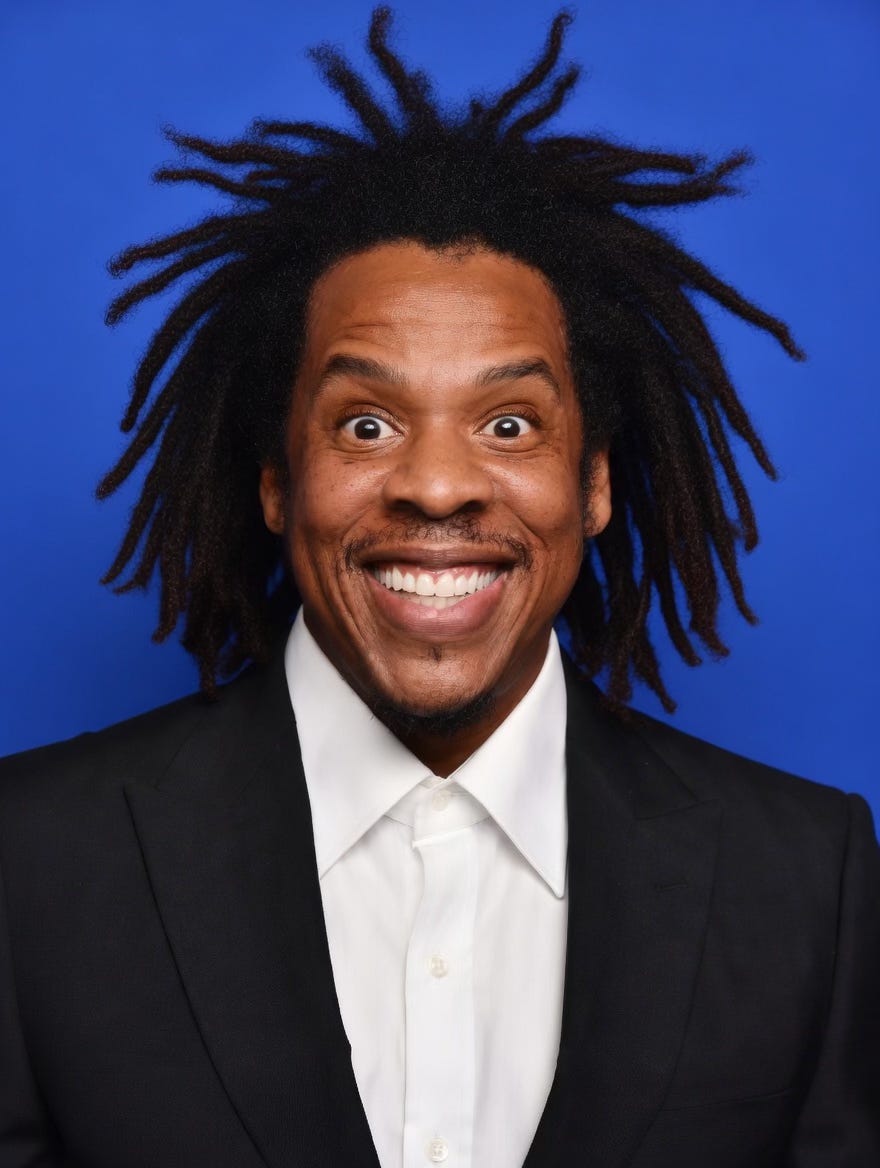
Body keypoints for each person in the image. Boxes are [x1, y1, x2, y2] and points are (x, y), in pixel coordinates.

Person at [0, 8, 877, 1166]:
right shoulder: (29, 857)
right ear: (276, 483)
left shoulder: (807, 873)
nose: (437, 484)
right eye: (365, 423)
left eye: (508, 423)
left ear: (593, 482)